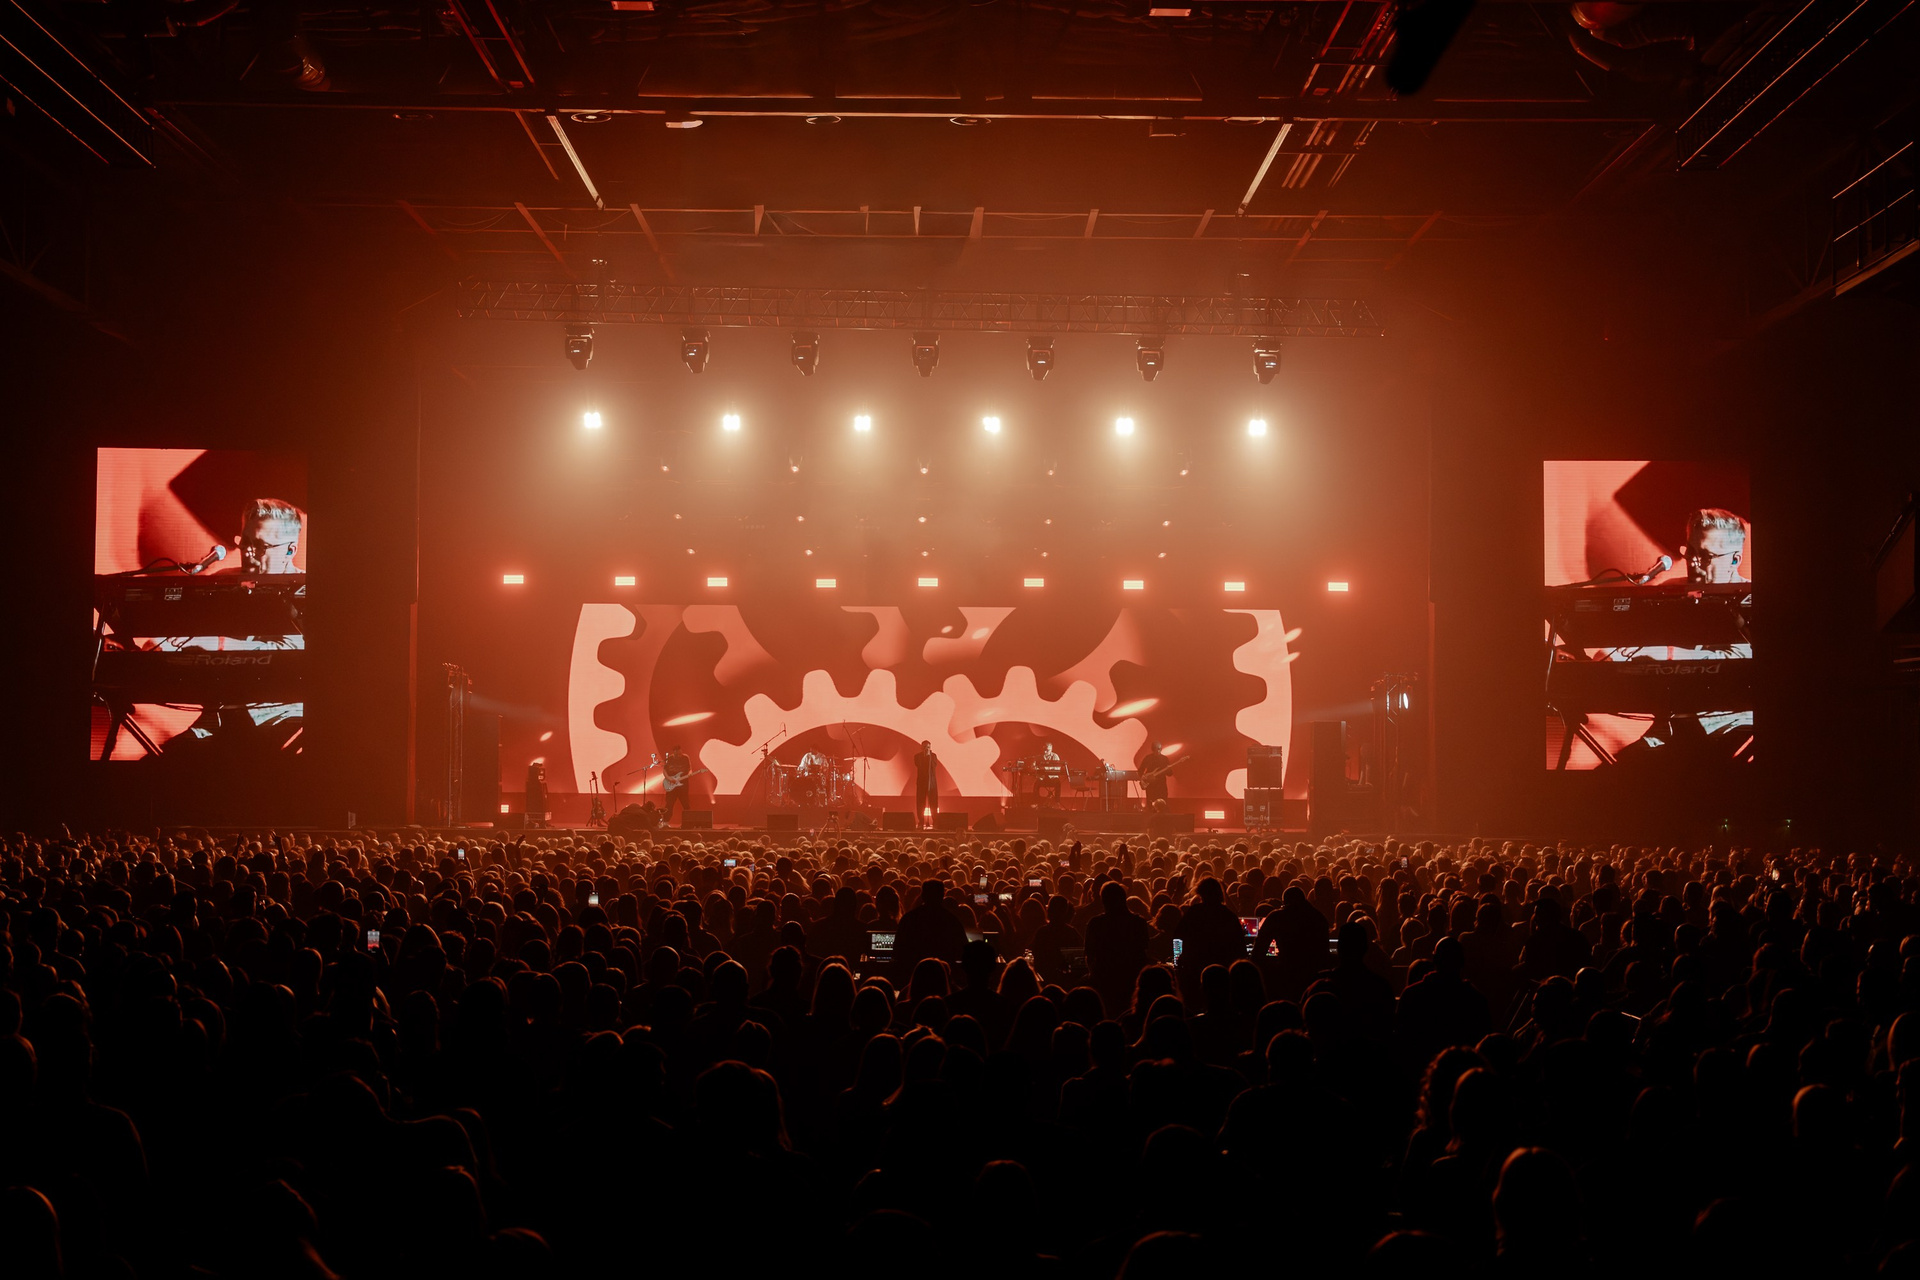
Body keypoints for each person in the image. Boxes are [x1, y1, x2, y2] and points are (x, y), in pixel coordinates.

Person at [662, 745, 694, 822]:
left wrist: (690, 773)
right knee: (669, 804)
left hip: (683, 785)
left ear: (681, 751)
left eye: (679, 754)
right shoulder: (670, 758)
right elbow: (664, 770)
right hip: (671, 785)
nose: (678, 756)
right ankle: (665, 822)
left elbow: (690, 769)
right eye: (676, 754)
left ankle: (688, 822)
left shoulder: (685, 758)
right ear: (674, 752)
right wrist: (669, 778)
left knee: (685, 803)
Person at [1139, 741, 1174, 810]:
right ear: (1152, 749)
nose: (1158, 750)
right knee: (1151, 805)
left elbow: (1170, 773)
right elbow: (1140, 770)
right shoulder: (1148, 758)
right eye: (1156, 748)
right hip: (1151, 786)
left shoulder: (1164, 759)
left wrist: (1168, 770)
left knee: (1163, 804)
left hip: (1161, 785)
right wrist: (1143, 780)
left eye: (1159, 749)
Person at [913, 740, 939, 827]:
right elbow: (919, 765)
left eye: (928, 747)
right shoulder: (917, 756)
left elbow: (934, 766)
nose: (926, 749)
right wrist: (925, 757)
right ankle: (921, 821)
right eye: (924, 747)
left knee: (933, 803)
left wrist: (928, 757)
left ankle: (935, 821)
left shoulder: (933, 756)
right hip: (921, 783)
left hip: (931, 784)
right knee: (920, 803)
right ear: (921, 747)